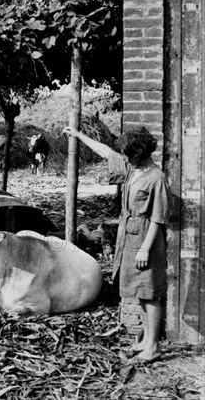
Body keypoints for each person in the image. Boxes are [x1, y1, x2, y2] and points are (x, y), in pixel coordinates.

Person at [63, 126, 170, 364]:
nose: (125, 158)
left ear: (139, 153)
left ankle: (153, 346)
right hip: (128, 235)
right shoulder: (133, 170)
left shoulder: (156, 179)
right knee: (139, 292)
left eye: (128, 154)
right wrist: (79, 135)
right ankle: (144, 340)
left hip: (145, 238)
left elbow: (158, 218)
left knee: (150, 293)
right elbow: (106, 153)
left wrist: (145, 248)